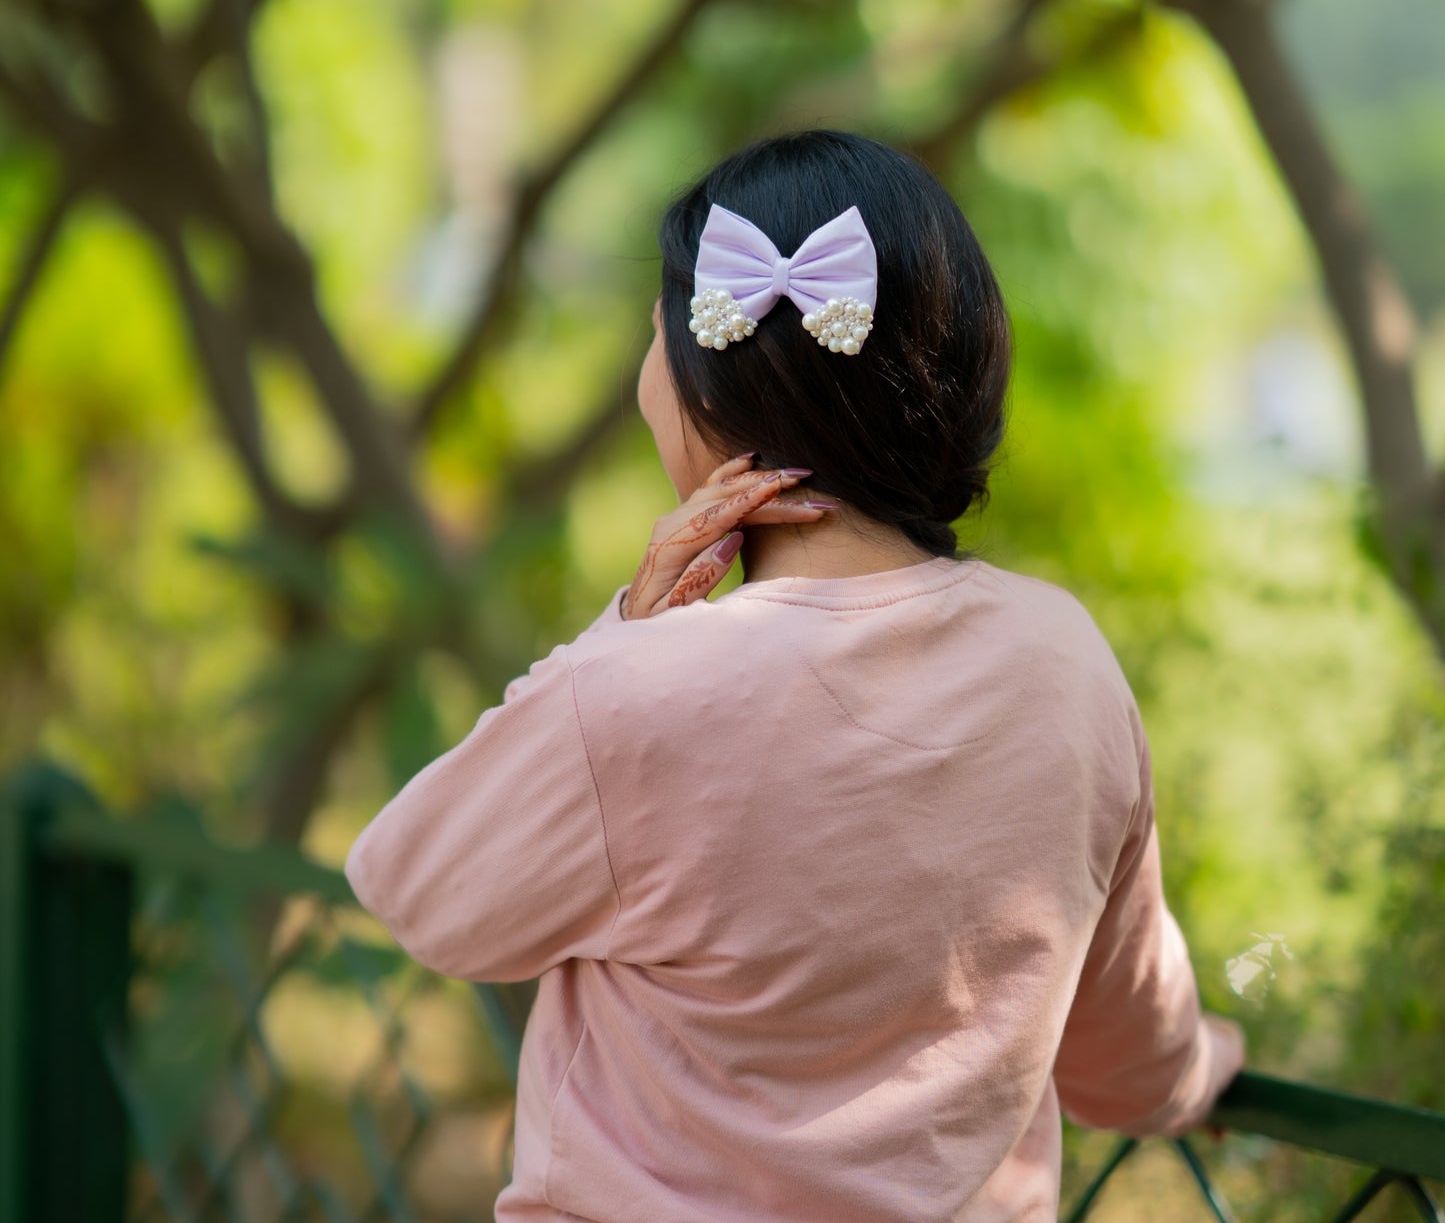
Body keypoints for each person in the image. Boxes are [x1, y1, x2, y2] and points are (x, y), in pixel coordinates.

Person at [344, 128, 1247, 1222]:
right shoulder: (1068, 663)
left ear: (706, 385)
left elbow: (418, 886)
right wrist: (1205, 1066)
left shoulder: (643, 690)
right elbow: (1128, 1064)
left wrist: (628, 625)